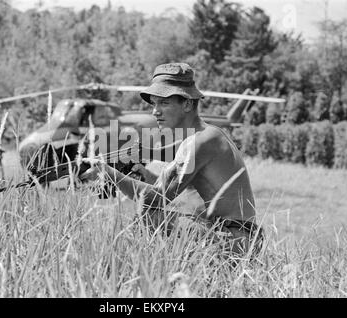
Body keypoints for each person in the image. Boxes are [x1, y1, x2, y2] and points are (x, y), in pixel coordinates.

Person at [79, 63, 263, 257]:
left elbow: (157, 197)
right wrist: (144, 173)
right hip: (238, 237)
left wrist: (109, 173)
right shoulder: (209, 135)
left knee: (149, 216)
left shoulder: (199, 142)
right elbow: (180, 195)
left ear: (187, 103)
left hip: (234, 240)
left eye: (164, 103)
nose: (155, 111)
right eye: (154, 103)